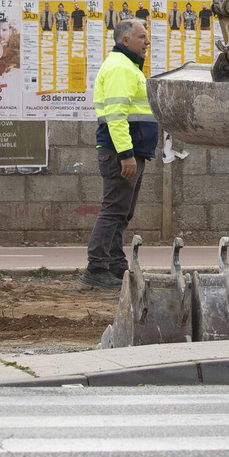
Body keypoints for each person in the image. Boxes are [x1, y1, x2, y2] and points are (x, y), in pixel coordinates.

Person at [83, 17, 158, 289]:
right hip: (121, 153)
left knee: (122, 212)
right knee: (114, 210)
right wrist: (125, 154)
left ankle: (115, 264)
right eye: (142, 37)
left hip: (131, 151)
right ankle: (97, 267)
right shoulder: (120, 69)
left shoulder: (128, 67)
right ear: (125, 40)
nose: (147, 41)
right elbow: (116, 115)